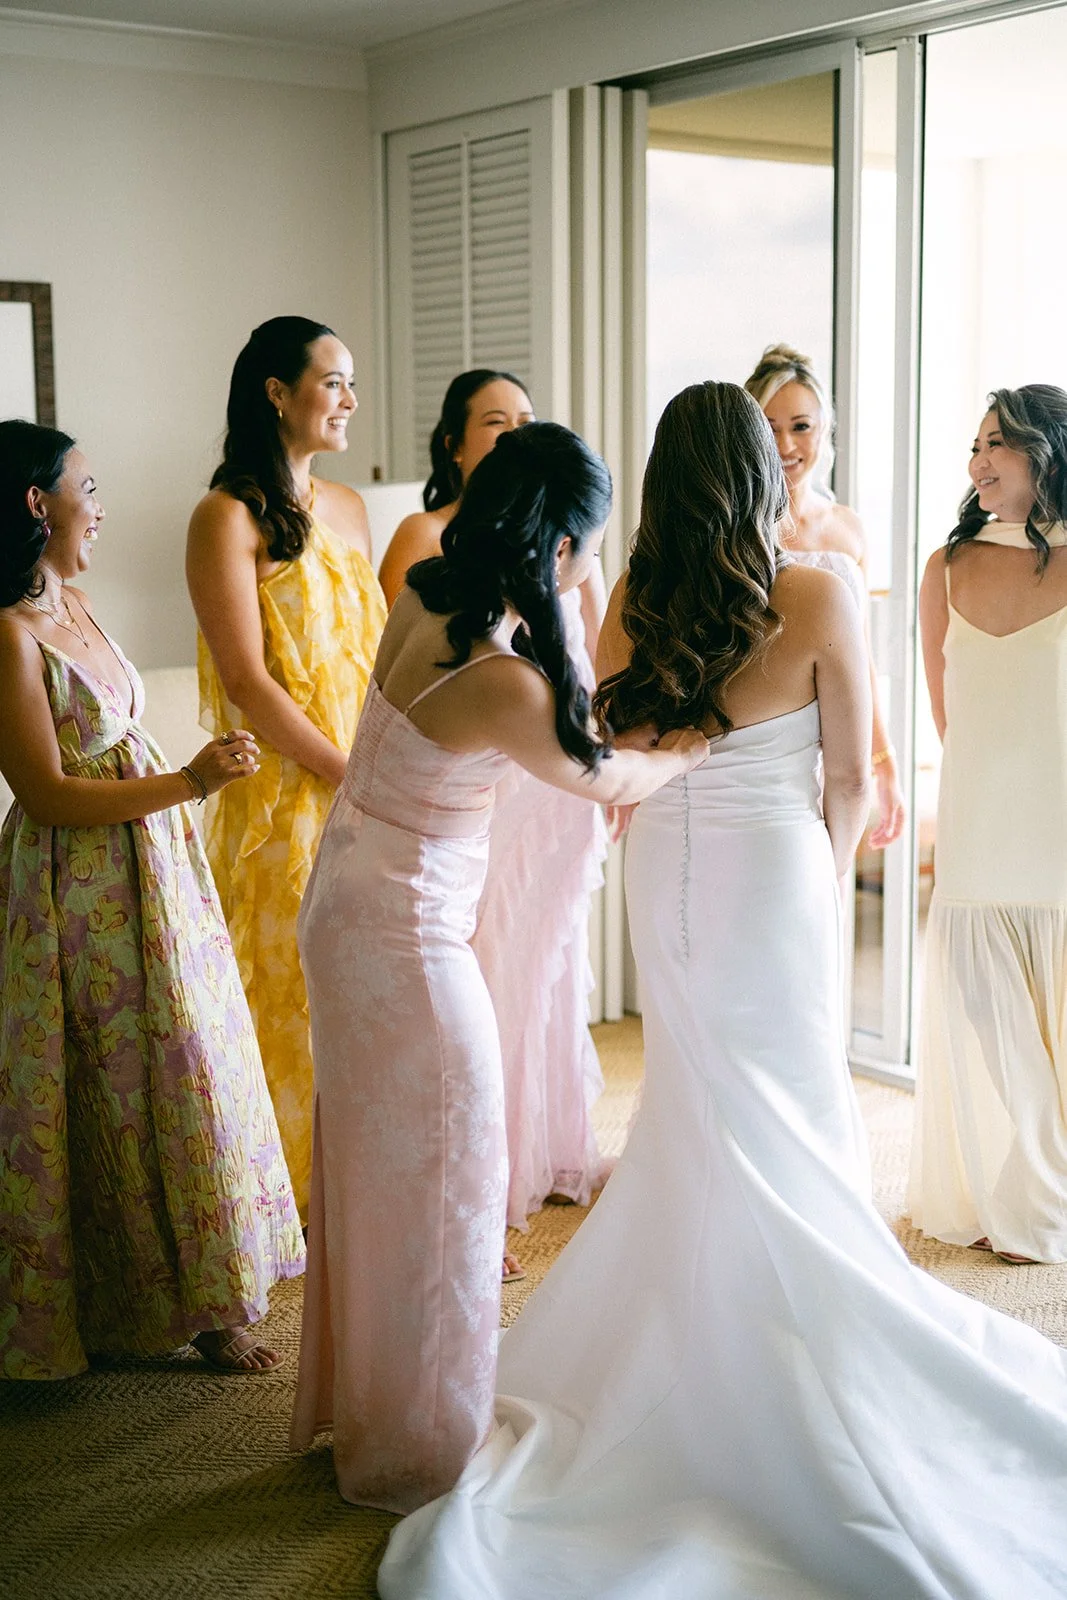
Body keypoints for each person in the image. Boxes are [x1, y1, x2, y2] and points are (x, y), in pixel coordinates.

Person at [377, 384, 1067, 1600]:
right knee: (787, 1096)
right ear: (756, 475)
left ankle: (705, 1322)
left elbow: (606, 740)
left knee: (693, 1094)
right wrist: (821, 871)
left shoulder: (630, 600)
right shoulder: (816, 592)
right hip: (775, 874)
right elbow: (849, 780)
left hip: (664, 869)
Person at [289, 422, 708, 1514]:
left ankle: (374, 1403)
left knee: (377, 1162)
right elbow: (601, 778)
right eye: (589, 547)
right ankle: (419, 1446)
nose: (587, 566)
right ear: (557, 542)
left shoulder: (426, 596)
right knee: (448, 1169)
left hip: (345, 900)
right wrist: (685, 752)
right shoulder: (500, 675)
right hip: (404, 933)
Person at [0, 420, 304, 1381]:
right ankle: (110, 1307)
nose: (101, 507)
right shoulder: (7, 635)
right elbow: (45, 794)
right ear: (37, 502)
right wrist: (190, 782)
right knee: (115, 1090)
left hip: (157, 876)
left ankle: (209, 1297)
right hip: (77, 894)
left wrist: (190, 785)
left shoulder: (80, 605)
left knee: (187, 1069)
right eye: (87, 487)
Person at [381, 372, 610, 1257]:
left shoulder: (551, 570)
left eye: (524, 419)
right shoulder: (436, 569)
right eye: (494, 421)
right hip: (490, 790)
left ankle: (537, 1151)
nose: (513, 432)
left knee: (543, 970)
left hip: (553, 789)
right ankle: (478, 1191)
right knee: (483, 978)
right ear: (456, 442)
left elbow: (592, 661)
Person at [187, 316, 387, 1220]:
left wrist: (383, 768)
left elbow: (373, 656)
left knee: (365, 992)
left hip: (366, 779)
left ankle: (360, 1194)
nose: (349, 399)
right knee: (288, 992)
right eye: (332, 381)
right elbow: (245, 680)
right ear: (277, 392)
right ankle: (287, 1206)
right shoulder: (224, 516)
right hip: (284, 799)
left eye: (351, 383)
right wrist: (345, 773)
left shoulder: (348, 507)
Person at [910, 383, 1067, 1266]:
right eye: (973, 446)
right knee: (988, 1010)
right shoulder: (945, 566)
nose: (976, 462)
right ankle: (1040, 1188)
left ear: (1047, 452)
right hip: (978, 820)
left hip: (1059, 825)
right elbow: (946, 714)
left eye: (995, 444)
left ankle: (1037, 1192)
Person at [745, 342, 904, 847]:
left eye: (800, 426)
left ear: (824, 430)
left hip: (839, 742)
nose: (785, 444)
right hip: (763, 743)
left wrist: (883, 760)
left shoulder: (849, 529)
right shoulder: (738, 532)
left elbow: (862, 657)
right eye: (769, 427)